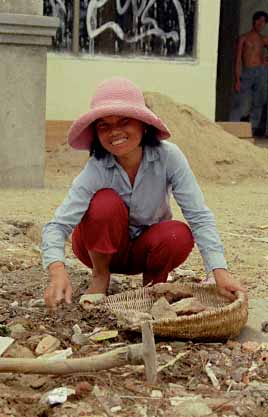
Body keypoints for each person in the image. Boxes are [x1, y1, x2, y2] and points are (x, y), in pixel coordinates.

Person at [42, 77, 247, 310]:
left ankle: (152, 287)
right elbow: (57, 226)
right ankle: (100, 278)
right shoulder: (96, 168)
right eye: (104, 126)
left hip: (145, 249)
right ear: (96, 134)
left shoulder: (169, 157)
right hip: (97, 248)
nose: (115, 132)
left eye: (124, 121)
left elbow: (198, 215)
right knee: (104, 203)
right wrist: (57, 270)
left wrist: (219, 271)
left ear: (143, 124)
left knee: (177, 234)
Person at [229, 10, 268, 136]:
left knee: (258, 102)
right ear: (254, 21)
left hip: (261, 72)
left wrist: (266, 62)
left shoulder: (263, 39)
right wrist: (237, 79)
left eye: (264, 22)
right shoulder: (243, 38)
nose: (261, 24)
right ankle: (232, 129)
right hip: (247, 72)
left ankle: (252, 130)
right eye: (259, 20)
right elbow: (238, 60)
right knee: (240, 101)